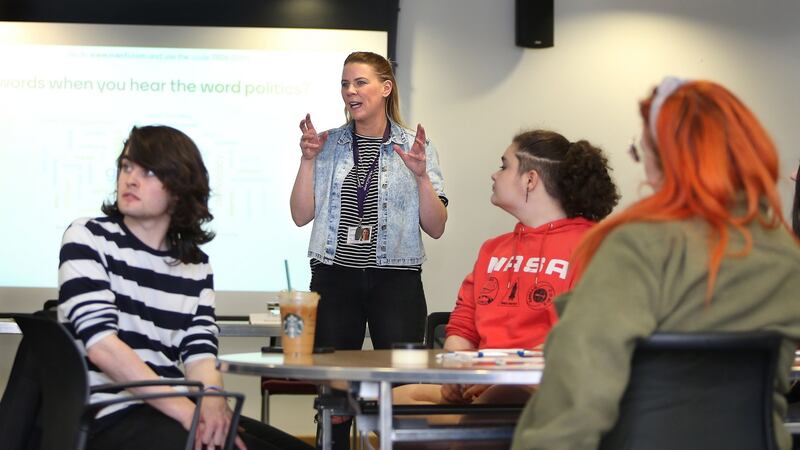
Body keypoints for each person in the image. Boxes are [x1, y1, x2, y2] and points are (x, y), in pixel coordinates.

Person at [511, 78, 800, 450]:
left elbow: (575, 398)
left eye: (640, 152)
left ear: (668, 160)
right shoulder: (786, 255)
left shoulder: (636, 246)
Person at [57, 126, 313, 450]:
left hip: (172, 409)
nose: (131, 179)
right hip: (109, 413)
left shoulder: (195, 265)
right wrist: (188, 412)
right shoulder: (87, 237)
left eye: (149, 172)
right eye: (126, 166)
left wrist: (213, 400)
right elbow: (102, 346)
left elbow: (200, 352)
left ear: (179, 189)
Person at [393, 130, 619, 407]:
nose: (494, 175)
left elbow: (579, 337)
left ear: (530, 179)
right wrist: (457, 374)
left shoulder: (594, 246)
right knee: (392, 398)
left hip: (548, 393)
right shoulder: (493, 249)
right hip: (486, 387)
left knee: (506, 393)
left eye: (504, 166)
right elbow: (463, 327)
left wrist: (501, 374)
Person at [289, 51, 447, 448]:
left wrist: (421, 177)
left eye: (360, 82)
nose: (350, 91)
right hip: (335, 277)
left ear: (385, 88)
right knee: (334, 395)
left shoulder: (415, 146)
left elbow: (437, 226)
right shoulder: (326, 144)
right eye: (345, 83)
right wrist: (307, 160)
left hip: (396, 280)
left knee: (403, 388)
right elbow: (300, 215)